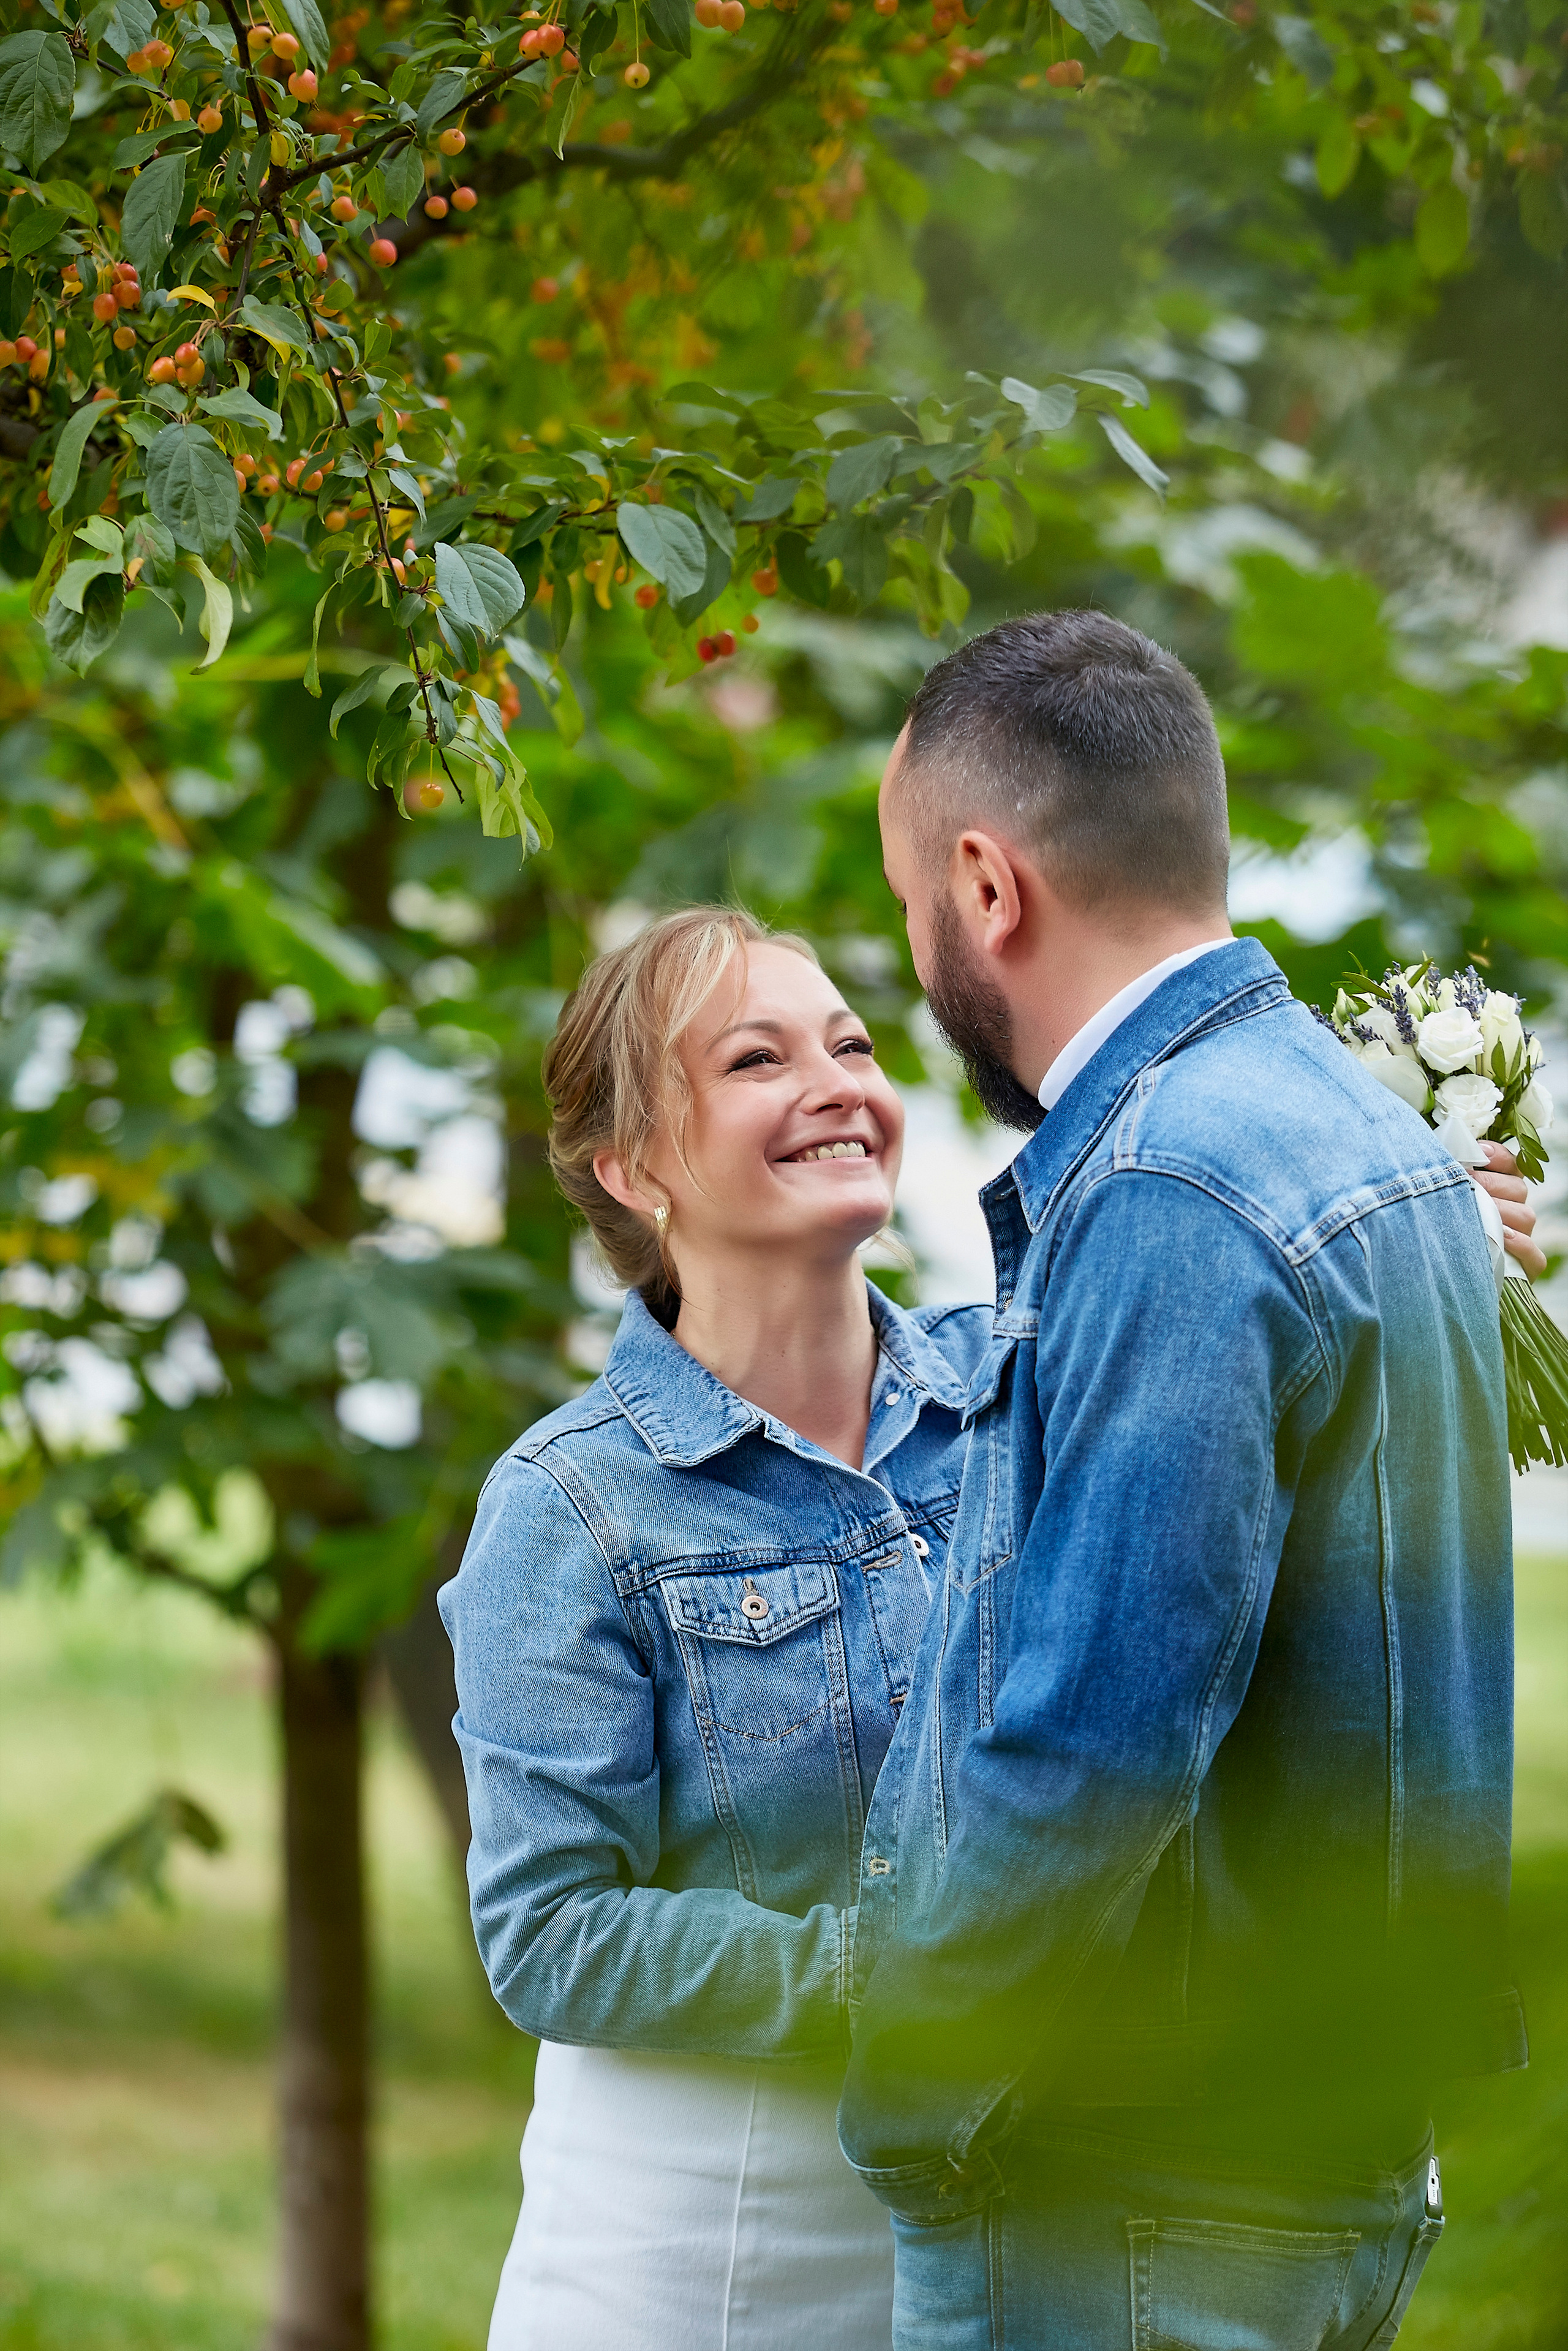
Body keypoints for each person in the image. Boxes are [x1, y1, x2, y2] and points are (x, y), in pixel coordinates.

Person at [837, 609, 1537, 2350]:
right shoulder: (1368, 1142)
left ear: (987, 885)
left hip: (1131, 2180)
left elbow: (1098, 1726)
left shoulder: (1168, 1182)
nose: (918, 952)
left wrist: (916, 2093)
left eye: (911, 901)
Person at [439, 907, 991, 2350]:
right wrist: (909, 1971)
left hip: (1001, 2215)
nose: (834, 1081)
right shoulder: (570, 1503)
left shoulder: (1015, 1395)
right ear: (633, 1168)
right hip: (701, 2243)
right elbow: (550, 1933)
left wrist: (1425, 1250)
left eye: (851, 1043)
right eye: (756, 1057)